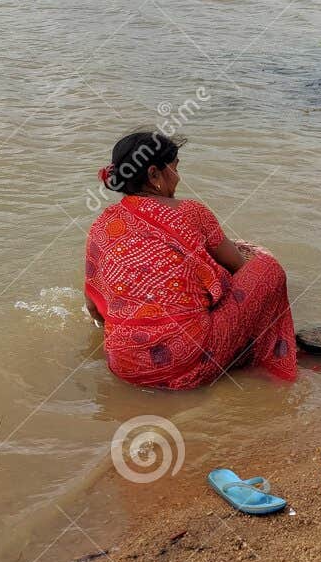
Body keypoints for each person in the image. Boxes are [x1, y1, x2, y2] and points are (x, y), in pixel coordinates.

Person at [83, 131, 297, 390]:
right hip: (187, 364)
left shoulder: (103, 224)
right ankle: (259, 363)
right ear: (154, 175)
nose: (178, 177)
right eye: (174, 168)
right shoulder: (191, 211)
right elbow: (240, 267)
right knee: (267, 270)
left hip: (123, 366)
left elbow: (94, 307)